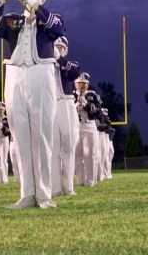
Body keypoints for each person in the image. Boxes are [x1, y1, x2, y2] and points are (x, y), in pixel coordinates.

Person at [0, 0, 64, 209]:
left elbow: (57, 29)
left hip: (41, 72)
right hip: (15, 74)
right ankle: (27, 194)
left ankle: (44, 194)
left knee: (41, 134)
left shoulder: (51, 18)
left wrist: (34, 4)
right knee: (20, 137)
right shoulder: (14, 20)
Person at [50, 37, 82, 196]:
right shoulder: (46, 66)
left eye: (61, 47)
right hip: (51, 105)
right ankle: (55, 187)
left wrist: (59, 58)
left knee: (68, 144)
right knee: (53, 146)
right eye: (55, 46)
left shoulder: (71, 64)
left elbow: (75, 73)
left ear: (66, 50)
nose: (57, 49)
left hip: (66, 104)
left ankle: (68, 186)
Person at [74, 73, 103, 187]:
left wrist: (86, 104)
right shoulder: (70, 95)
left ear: (88, 84)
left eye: (84, 83)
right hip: (75, 126)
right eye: (79, 83)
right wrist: (74, 106)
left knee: (90, 154)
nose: (81, 85)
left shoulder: (92, 95)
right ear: (75, 83)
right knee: (78, 155)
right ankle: (80, 180)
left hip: (89, 126)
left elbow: (98, 113)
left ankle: (90, 180)